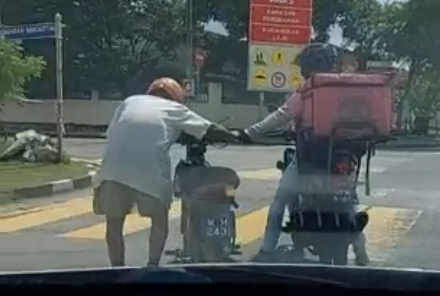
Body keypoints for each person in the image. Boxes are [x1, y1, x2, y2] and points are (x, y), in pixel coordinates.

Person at [239, 43, 369, 264]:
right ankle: (361, 252)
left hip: (310, 155)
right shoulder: (346, 86)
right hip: (345, 155)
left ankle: (267, 249)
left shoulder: (309, 88)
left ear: (307, 66)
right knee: (348, 199)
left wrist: (249, 132)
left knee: (280, 201)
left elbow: (282, 115)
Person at [93, 77, 237, 268]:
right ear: (176, 98)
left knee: (114, 222)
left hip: (112, 168)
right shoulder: (174, 109)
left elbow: (113, 132)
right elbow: (209, 129)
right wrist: (238, 136)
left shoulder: (130, 101)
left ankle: (117, 268)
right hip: (149, 170)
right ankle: (153, 265)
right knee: (159, 219)